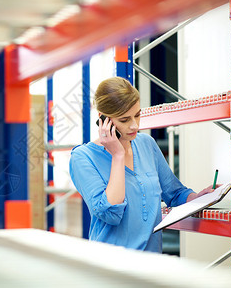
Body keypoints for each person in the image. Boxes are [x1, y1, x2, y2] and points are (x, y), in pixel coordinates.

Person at [69, 76, 216, 253]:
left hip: (151, 264)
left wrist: (199, 197)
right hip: (109, 265)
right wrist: (118, 155)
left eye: (137, 116)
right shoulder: (83, 158)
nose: (134, 126)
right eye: (124, 120)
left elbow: (175, 193)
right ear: (103, 119)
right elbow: (111, 214)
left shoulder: (146, 144)